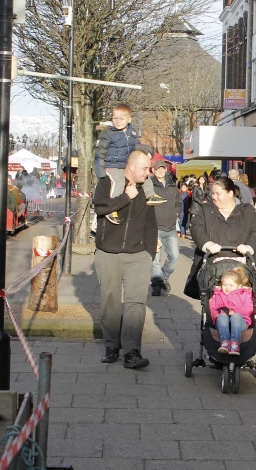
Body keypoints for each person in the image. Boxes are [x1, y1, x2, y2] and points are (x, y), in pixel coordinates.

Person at [93, 151, 158, 369]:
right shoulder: (107, 182)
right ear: (130, 167)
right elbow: (100, 206)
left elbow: (151, 224)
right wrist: (125, 198)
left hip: (138, 256)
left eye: (149, 169)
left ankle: (132, 351)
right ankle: (112, 347)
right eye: (145, 169)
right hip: (108, 254)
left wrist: (149, 254)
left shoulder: (146, 190)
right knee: (110, 303)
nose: (149, 173)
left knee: (135, 304)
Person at [185, 177, 256, 299]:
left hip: (241, 265)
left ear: (230, 193)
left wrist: (249, 247)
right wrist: (207, 244)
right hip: (212, 265)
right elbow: (196, 227)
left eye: (218, 194)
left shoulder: (247, 211)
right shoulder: (206, 209)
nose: (214, 197)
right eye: (212, 193)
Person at [94, 103, 162, 225]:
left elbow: (135, 146)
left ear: (129, 119)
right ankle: (112, 209)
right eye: (115, 118)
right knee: (119, 181)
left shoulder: (132, 133)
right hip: (112, 165)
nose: (118, 121)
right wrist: (100, 172)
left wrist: (147, 150)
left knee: (145, 176)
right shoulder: (108, 134)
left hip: (125, 164)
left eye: (121, 119)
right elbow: (99, 153)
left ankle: (150, 195)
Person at [149, 161, 182, 297]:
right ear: (153, 170)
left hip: (170, 228)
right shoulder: (149, 184)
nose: (161, 171)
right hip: (155, 228)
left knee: (174, 256)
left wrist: (176, 213)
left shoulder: (172, 185)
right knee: (155, 260)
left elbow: (178, 203)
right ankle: (157, 285)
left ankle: (164, 278)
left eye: (163, 168)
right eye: (158, 169)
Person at [208, 267, 254, 356]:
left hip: (240, 323)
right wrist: (215, 314)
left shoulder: (244, 294)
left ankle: (235, 343)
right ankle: (225, 342)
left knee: (236, 316)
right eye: (224, 285)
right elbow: (212, 307)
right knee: (221, 316)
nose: (227, 288)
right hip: (222, 322)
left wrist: (235, 311)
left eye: (230, 285)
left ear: (239, 286)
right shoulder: (218, 294)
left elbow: (249, 308)